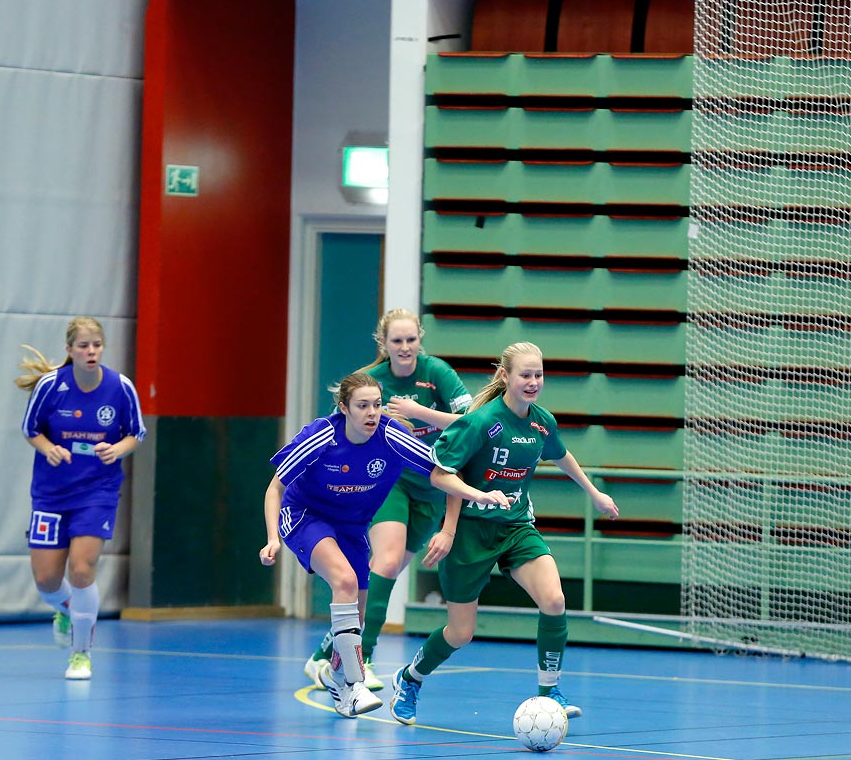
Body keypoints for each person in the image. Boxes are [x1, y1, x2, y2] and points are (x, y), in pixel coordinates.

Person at [388, 341, 620, 726]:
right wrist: (449, 528)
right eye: (525, 375)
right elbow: (443, 474)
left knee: (554, 599)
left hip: (514, 527)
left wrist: (594, 493)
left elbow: (561, 454)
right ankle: (410, 679)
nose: (532, 383)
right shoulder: (481, 422)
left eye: (538, 375)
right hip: (469, 533)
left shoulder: (542, 421)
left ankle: (550, 692)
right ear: (505, 377)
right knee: (460, 633)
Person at [261, 372, 513, 719]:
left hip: (351, 527)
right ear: (344, 408)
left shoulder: (392, 438)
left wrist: (479, 495)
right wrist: (273, 537)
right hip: (304, 516)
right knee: (345, 581)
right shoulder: (320, 436)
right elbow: (275, 487)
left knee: (358, 618)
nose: (371, 413)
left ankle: (336, 675)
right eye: (362, 406)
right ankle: (355, 682)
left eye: (377, 405)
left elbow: (444, 471)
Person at [302, 309, 473, 692]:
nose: (405, 347)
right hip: (387, 480)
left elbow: (469, 422)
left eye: (411, 339)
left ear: (420, 339)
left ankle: (322, 656)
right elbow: (338, 432)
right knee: (387, 561)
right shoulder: (369, 381)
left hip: (432, 485)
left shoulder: (437, 374)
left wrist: (418, 413)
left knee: (386, 574)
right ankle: (362, 659)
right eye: (397, 341)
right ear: (384, 344)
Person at [16, 317, 145, 681]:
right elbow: (30, 429)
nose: (91, 352)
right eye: (84, 346)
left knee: (82, 568)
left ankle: (81, 654)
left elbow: (136, 432)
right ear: (69, 350)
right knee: (46, 580)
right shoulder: (51, 386)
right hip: (51, 494)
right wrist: (49, 448)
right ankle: (65, 609)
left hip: (97, 492)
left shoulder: (120, 388)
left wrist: (116, 449)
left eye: (97, 345)